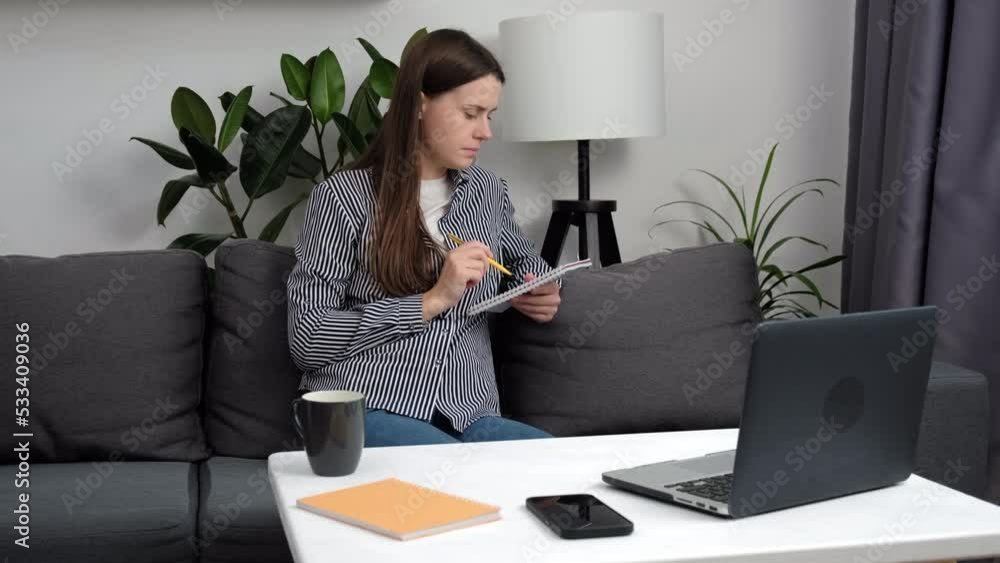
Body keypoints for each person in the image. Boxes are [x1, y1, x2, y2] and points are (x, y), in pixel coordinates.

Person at [286, 28, 560, 447]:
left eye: (490, 115)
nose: (485, 132)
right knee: (456, 478)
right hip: (362, 403)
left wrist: (538, 288)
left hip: (469, 411)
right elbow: (307, 337)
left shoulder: (488, 192)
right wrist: (431, 300)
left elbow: (524, 263)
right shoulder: (342, 198)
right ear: (420, 104)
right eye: (471, 114)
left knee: (563, 466)